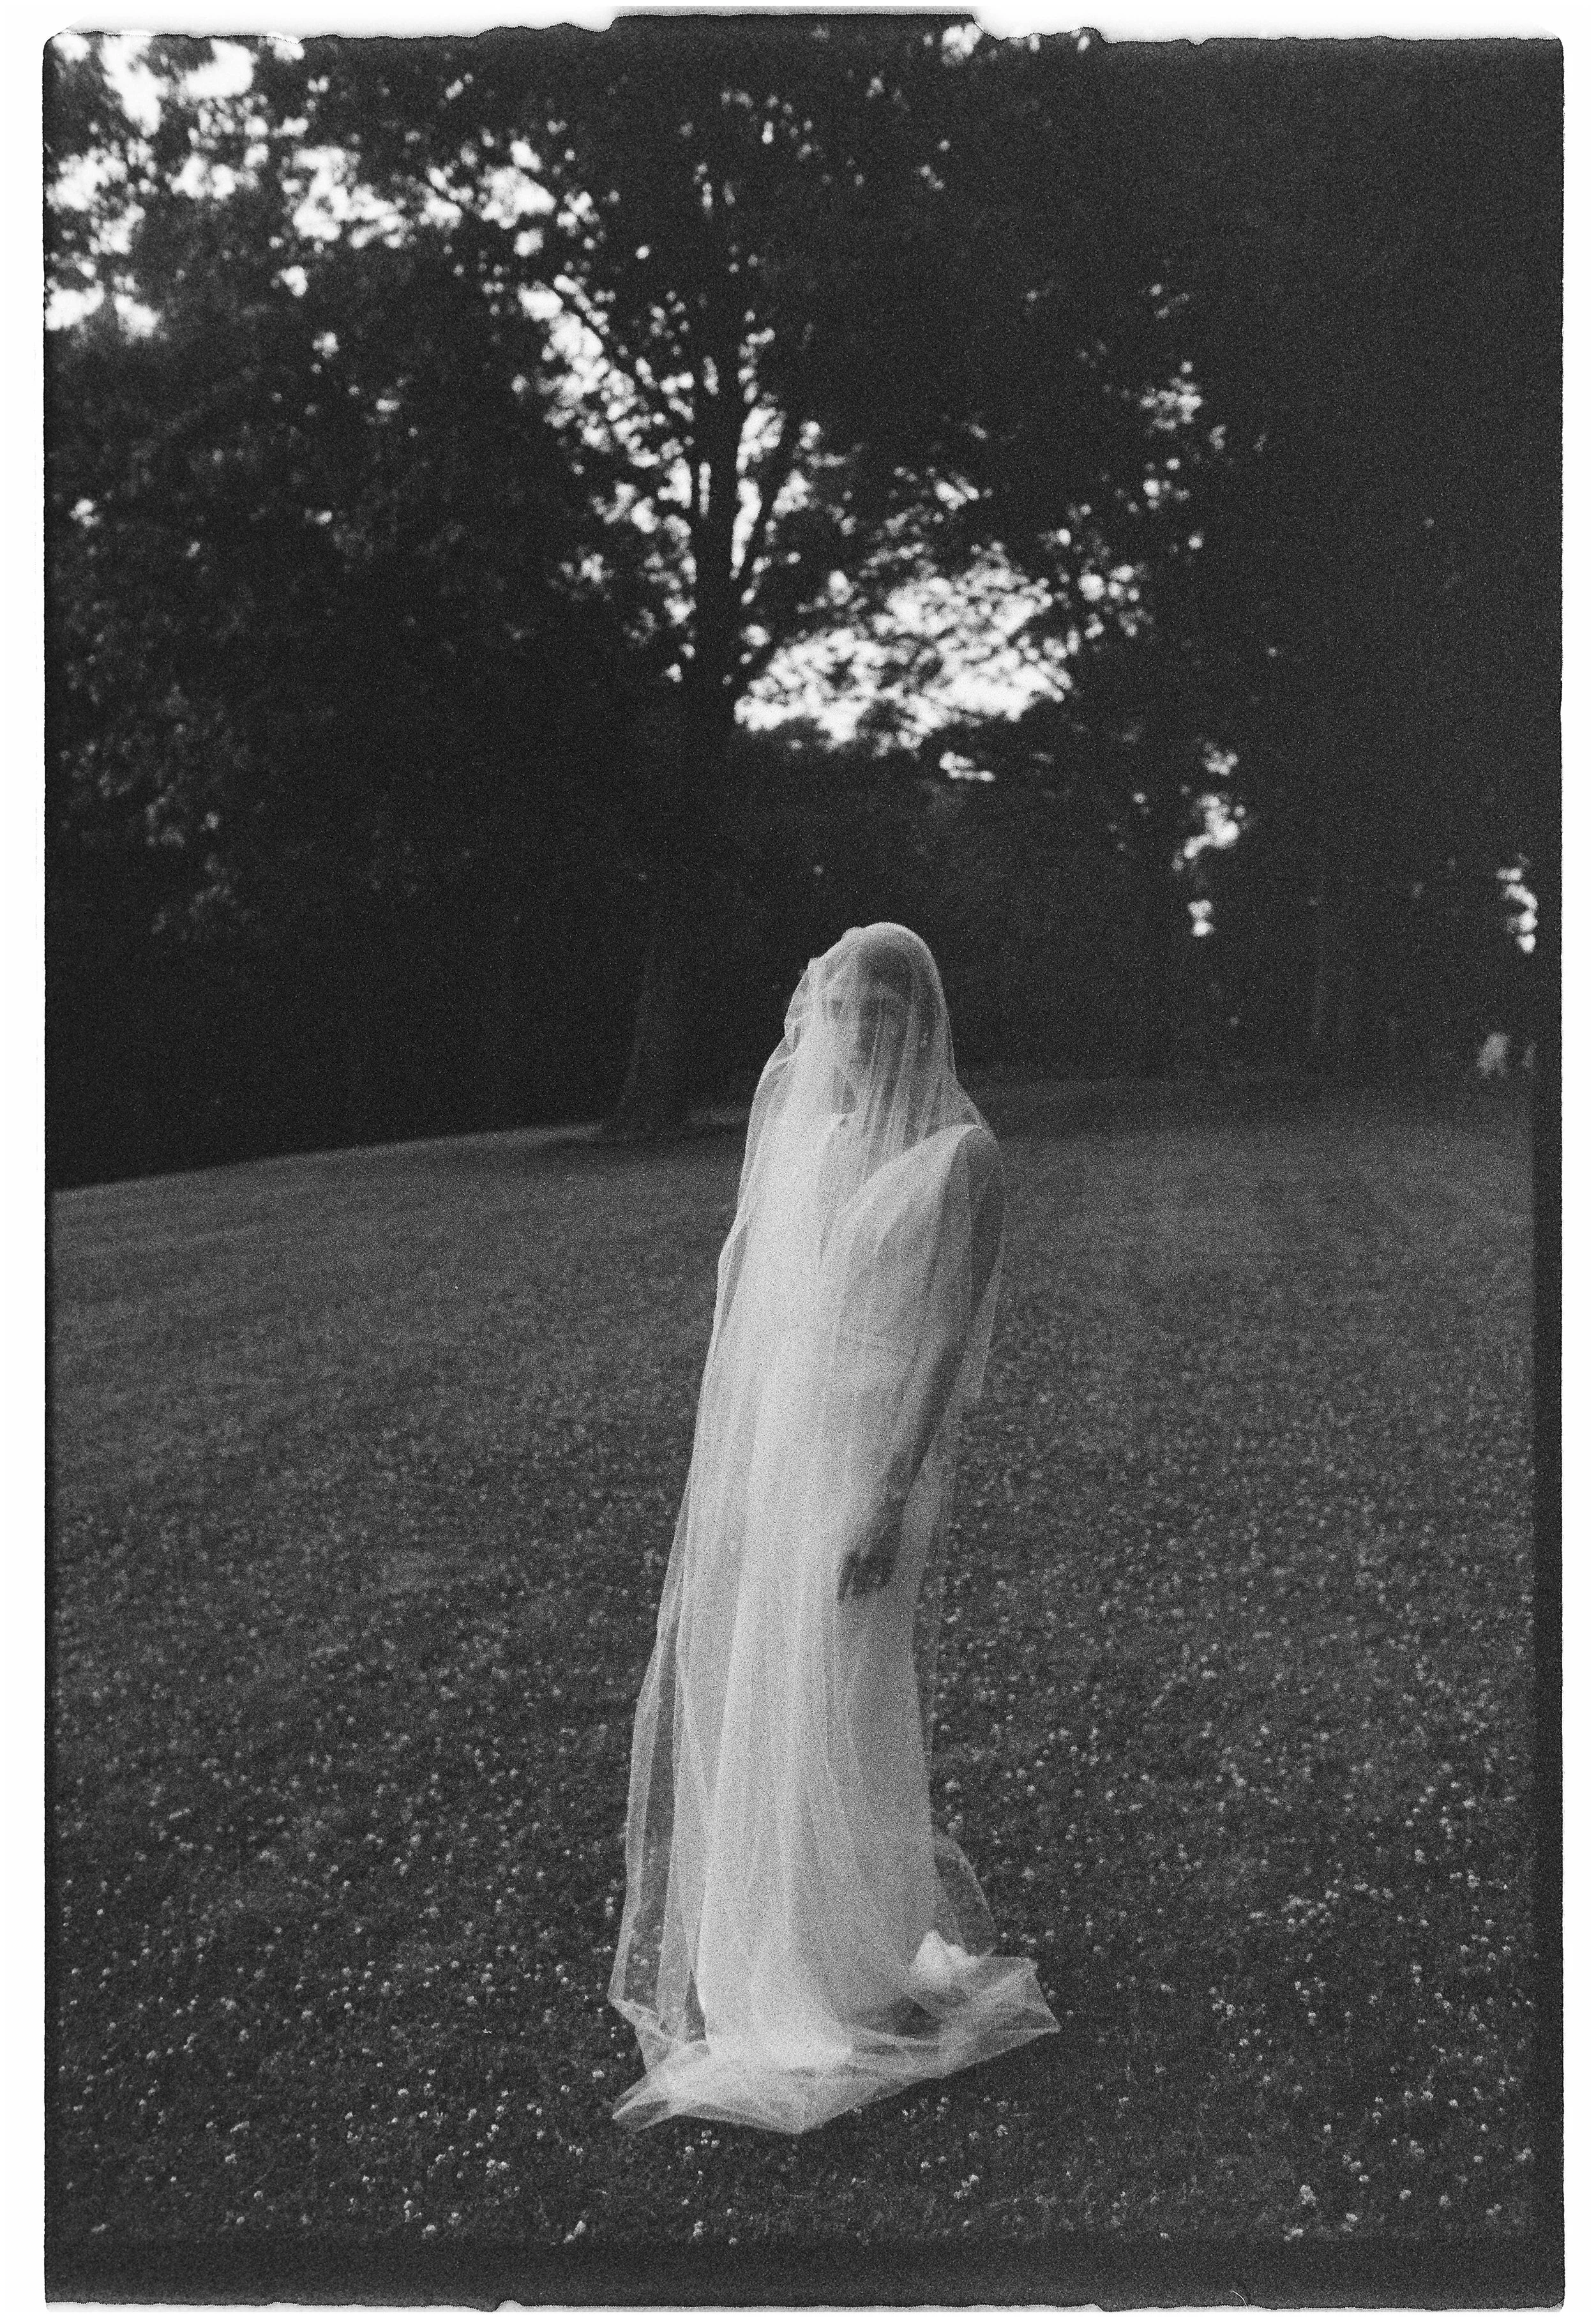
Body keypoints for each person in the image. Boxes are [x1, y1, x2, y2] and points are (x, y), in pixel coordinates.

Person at [608, 923, 1058, 2132]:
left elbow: (944, 1350)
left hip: (869, 1465)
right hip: (785, 1457)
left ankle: (850, 1961)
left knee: (848, 1695)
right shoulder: (814, 1139)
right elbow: (771, 1324)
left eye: (882, 1014)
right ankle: (788, 1954)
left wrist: (888, 1494)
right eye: (842, 1012)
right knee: (773, 1689)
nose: (857, 1035)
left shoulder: (966, 1159)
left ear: (923, 1021)